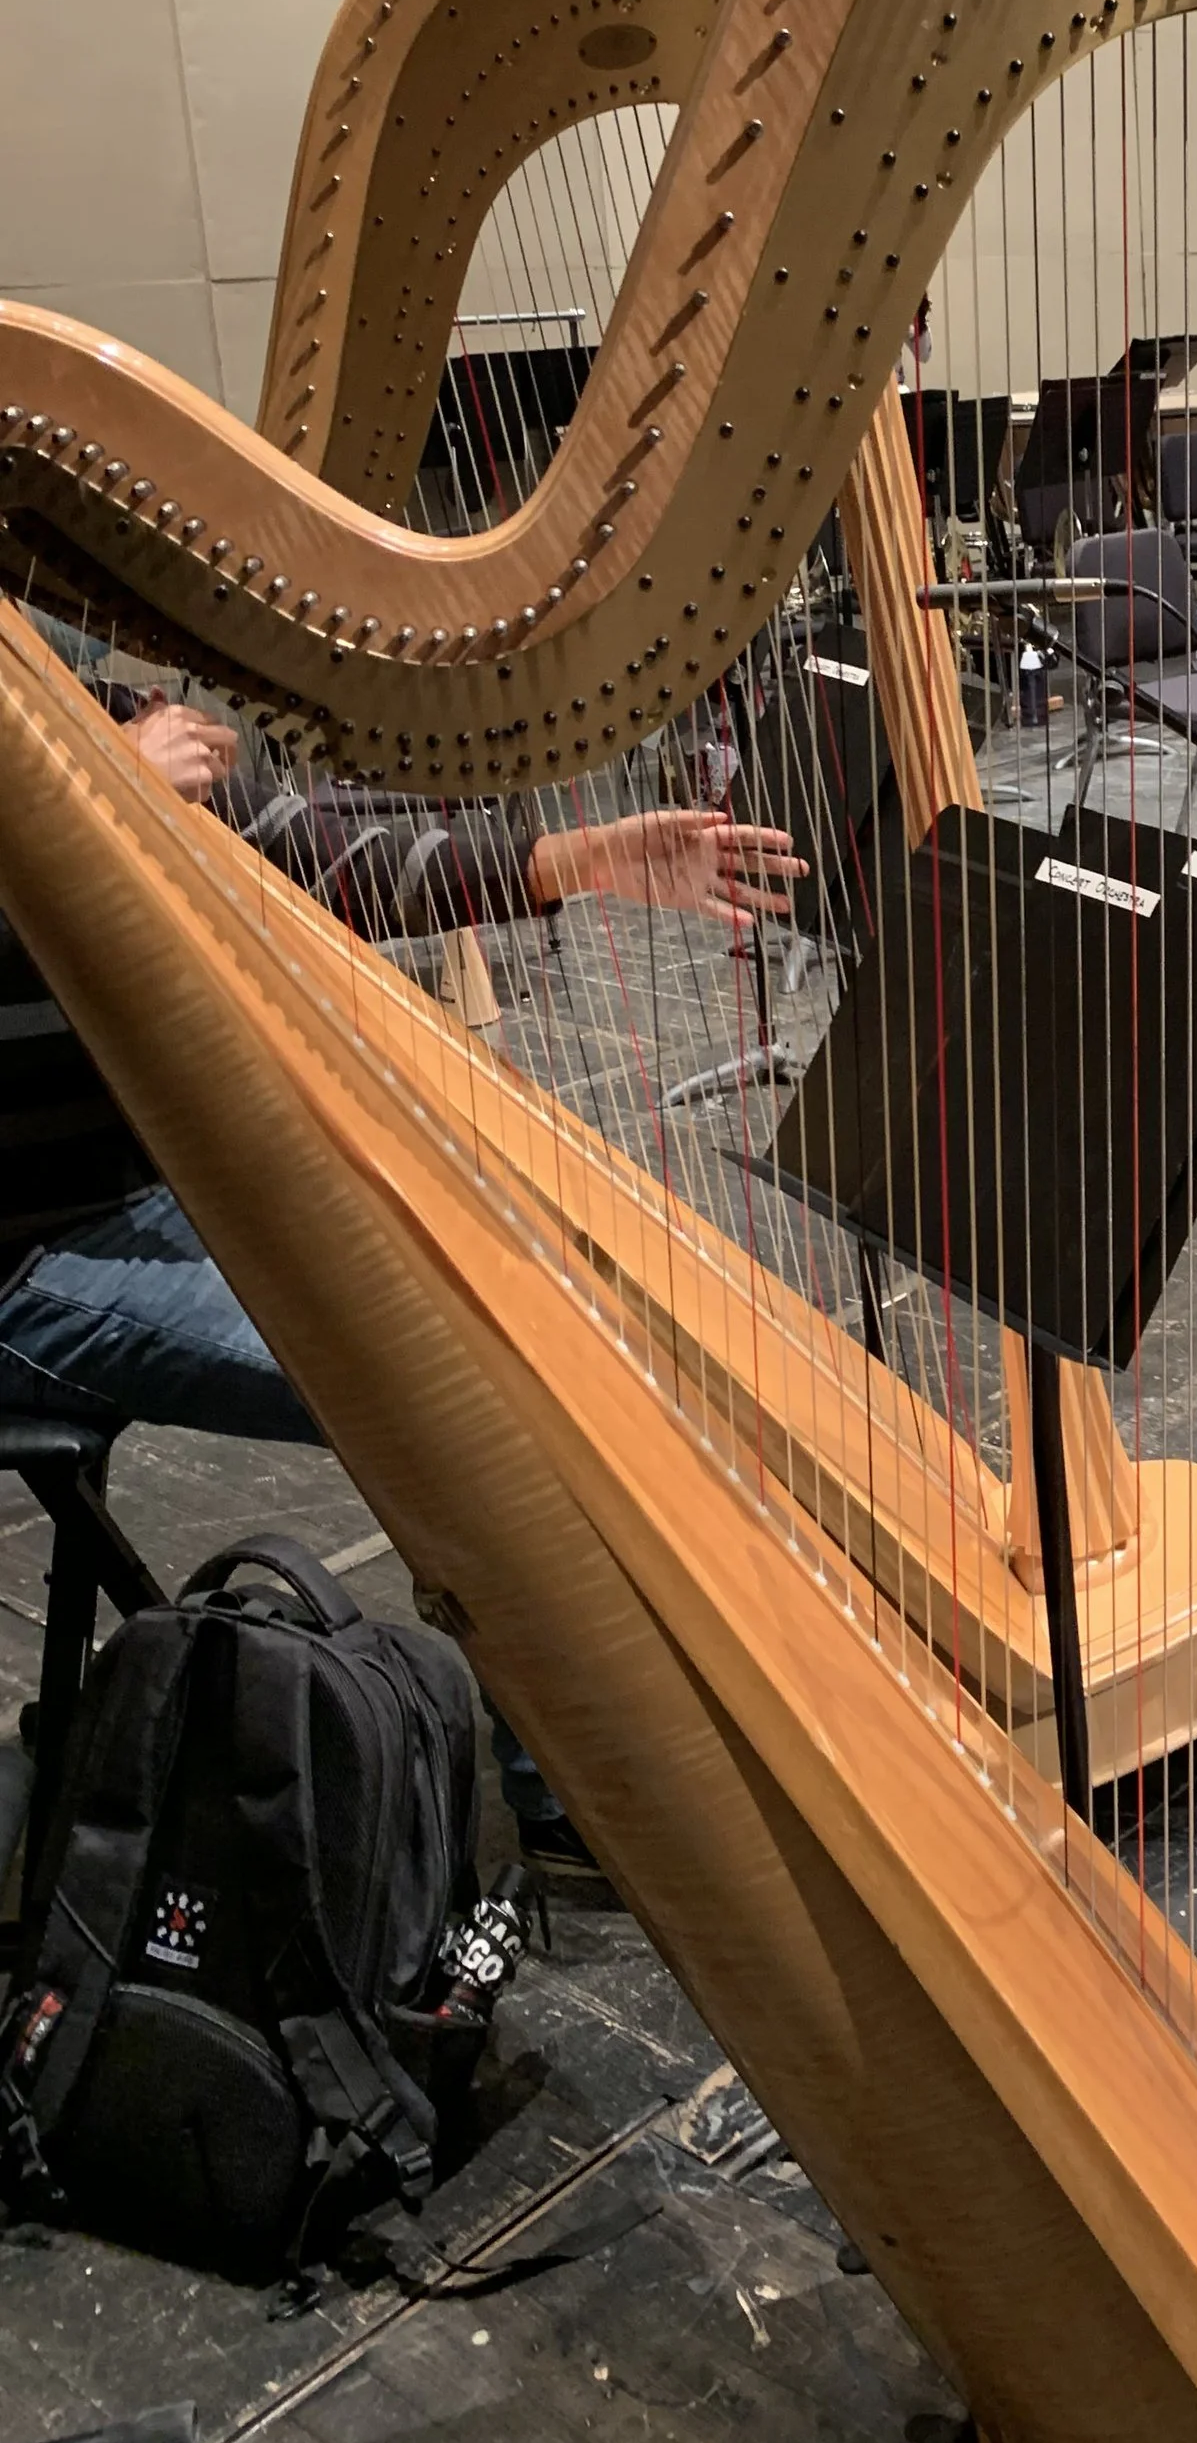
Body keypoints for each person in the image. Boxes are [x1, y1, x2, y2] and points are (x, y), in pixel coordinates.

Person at [0, 669, 805, 1870]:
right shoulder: (78, 758)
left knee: (509, 1299)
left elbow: (313, 850)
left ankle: (620, 1735)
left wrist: (577, 860)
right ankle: (574, 1790)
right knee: (449, 1385)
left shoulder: (74, 694)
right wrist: (90, 794)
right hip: (29, 1259)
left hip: (153, 1186)